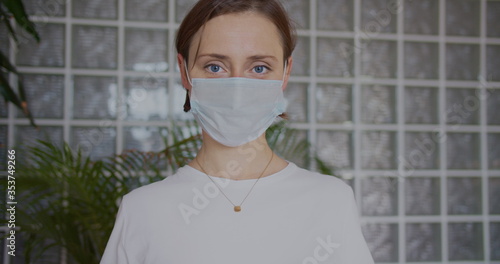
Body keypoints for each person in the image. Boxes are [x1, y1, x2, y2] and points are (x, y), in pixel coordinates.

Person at [101, 0, 374, 263]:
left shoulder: (331, 201)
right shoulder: (141, 210)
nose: (237, 89)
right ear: (185, 72)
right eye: (215, 67)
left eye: (259, 68)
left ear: (285, 72)